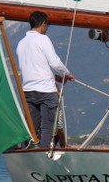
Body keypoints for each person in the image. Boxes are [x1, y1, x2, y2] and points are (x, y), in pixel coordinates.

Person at [16, 11, 74, 149]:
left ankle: (27, 151)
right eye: (48, 24)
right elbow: (54, 62)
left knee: (32, 126)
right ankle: (43, 153)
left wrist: (57, 77)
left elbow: (33, 69)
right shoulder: (43, 40)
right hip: (46, 92)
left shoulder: (21, 43)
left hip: (28, 91)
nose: (48, 27)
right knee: (48, 126)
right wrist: (67, 73)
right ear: (43, 24)